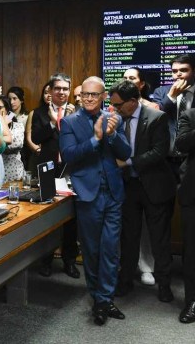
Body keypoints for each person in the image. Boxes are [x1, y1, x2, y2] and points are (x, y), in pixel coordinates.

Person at [59, 76, 131, 326]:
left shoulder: (114, 118)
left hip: (113, 192)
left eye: (94, 95)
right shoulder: (69, 122)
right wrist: (96, 139)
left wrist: (111, 136)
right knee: (91, 249)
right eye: (84, 95)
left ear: (103, 98)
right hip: (88, 193)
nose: (88, 98)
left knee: (111, 249)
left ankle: (104, 299)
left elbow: (126, 153)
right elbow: (68, 154)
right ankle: (98, 297)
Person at [109, 80, 175, 303]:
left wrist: (128, 162)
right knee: (129, 238)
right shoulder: (117, 119)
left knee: (159, 239)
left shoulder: (156, 117)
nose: (115, 109)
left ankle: (164, 285)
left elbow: (159, 151)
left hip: (154, 187)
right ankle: (125, 281)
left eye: (118, 105)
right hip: (129, 187)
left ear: (133, 102)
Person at [31, 73, 79, 279]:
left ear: (69, 91)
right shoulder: (39, 112)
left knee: (70, 220)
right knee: (48, 219)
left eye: (65, 89)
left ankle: (70, 260)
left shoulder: (77, 112)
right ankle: (46, 260)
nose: (61, 92)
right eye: (57, 88)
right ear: (49, 91)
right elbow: (35, 138)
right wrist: (52, 123)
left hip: (70, 171)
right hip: (47, 170)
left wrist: (68, 119)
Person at [122, 67, 160, 285]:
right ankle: (126, 268)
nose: (128, 81)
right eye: (125, 78)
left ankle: (147, 266)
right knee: (128, 228)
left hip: (147, 176)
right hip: (124, 178)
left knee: (146, 227)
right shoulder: (115, 109)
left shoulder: (152, 108)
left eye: (132, 78)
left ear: (141, 84)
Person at [152, 53, 194, 178]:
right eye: (174, 71)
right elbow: (155, 118)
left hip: (191, 158)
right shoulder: (161, 92)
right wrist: (171, 97)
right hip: (166, 159)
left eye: (184, 70)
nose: (178, 74)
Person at [176, 108, 195, 323]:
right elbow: (180, 145)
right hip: (193, 194)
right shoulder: (190, 116)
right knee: (192, 251)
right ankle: (192, 300)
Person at [0, 96, 24, 183]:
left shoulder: (18, 125)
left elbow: (16, 144)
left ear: (7, 109)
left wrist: (4, 126)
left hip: (13, 171)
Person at [25, 83, 51, 176]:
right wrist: (36, 149)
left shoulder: (62, 111)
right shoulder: (34, 112)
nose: (48, 95)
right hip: (38, 154)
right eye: (45, 93)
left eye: (51, 92)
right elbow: (28, 137)